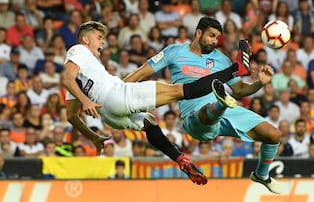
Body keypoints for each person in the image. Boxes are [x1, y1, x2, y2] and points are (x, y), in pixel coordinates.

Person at [62, 21, 243, 185]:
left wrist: (93, 137)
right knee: (179, 91)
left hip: (109, 116)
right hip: (115, 95)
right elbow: (66, 78)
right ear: (85, 39)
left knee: (150, 123)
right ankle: (235, 69)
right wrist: (85, 101)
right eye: (99, 37)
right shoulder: (78, 50)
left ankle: (180, 159)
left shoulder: (85, 69)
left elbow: (71, 115)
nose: (103, 42)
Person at [125, 17, 282, 194]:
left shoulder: (221, 59)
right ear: (198, 33)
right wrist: (117, 90)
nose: (214, 41)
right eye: (211, 36)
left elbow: (238, 90)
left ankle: (261, 175)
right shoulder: (174, 52)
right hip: (194, 117)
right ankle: (220, 104)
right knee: (206, 113)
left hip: (228, 108)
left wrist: (260, 83)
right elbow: (142, 72)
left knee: (273, 134)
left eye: (217, 38)